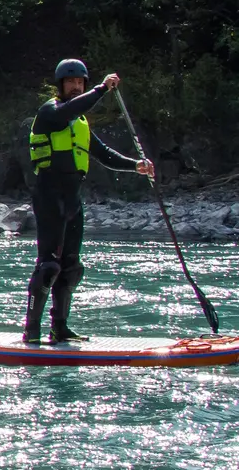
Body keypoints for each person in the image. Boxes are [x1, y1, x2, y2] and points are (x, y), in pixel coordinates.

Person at [24, 59, 154, 343]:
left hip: (72, 198)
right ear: (60, 86)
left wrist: (136, 166)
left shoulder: (80, 124)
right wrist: (100, 90)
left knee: (71, 267)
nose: (75, 87)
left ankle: (60, 327)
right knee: (48, 266)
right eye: (71, 83)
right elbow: (72, 108)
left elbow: (104, 154)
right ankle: (31, 331)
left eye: (79, 82)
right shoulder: (50, 112)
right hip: (49, 195)